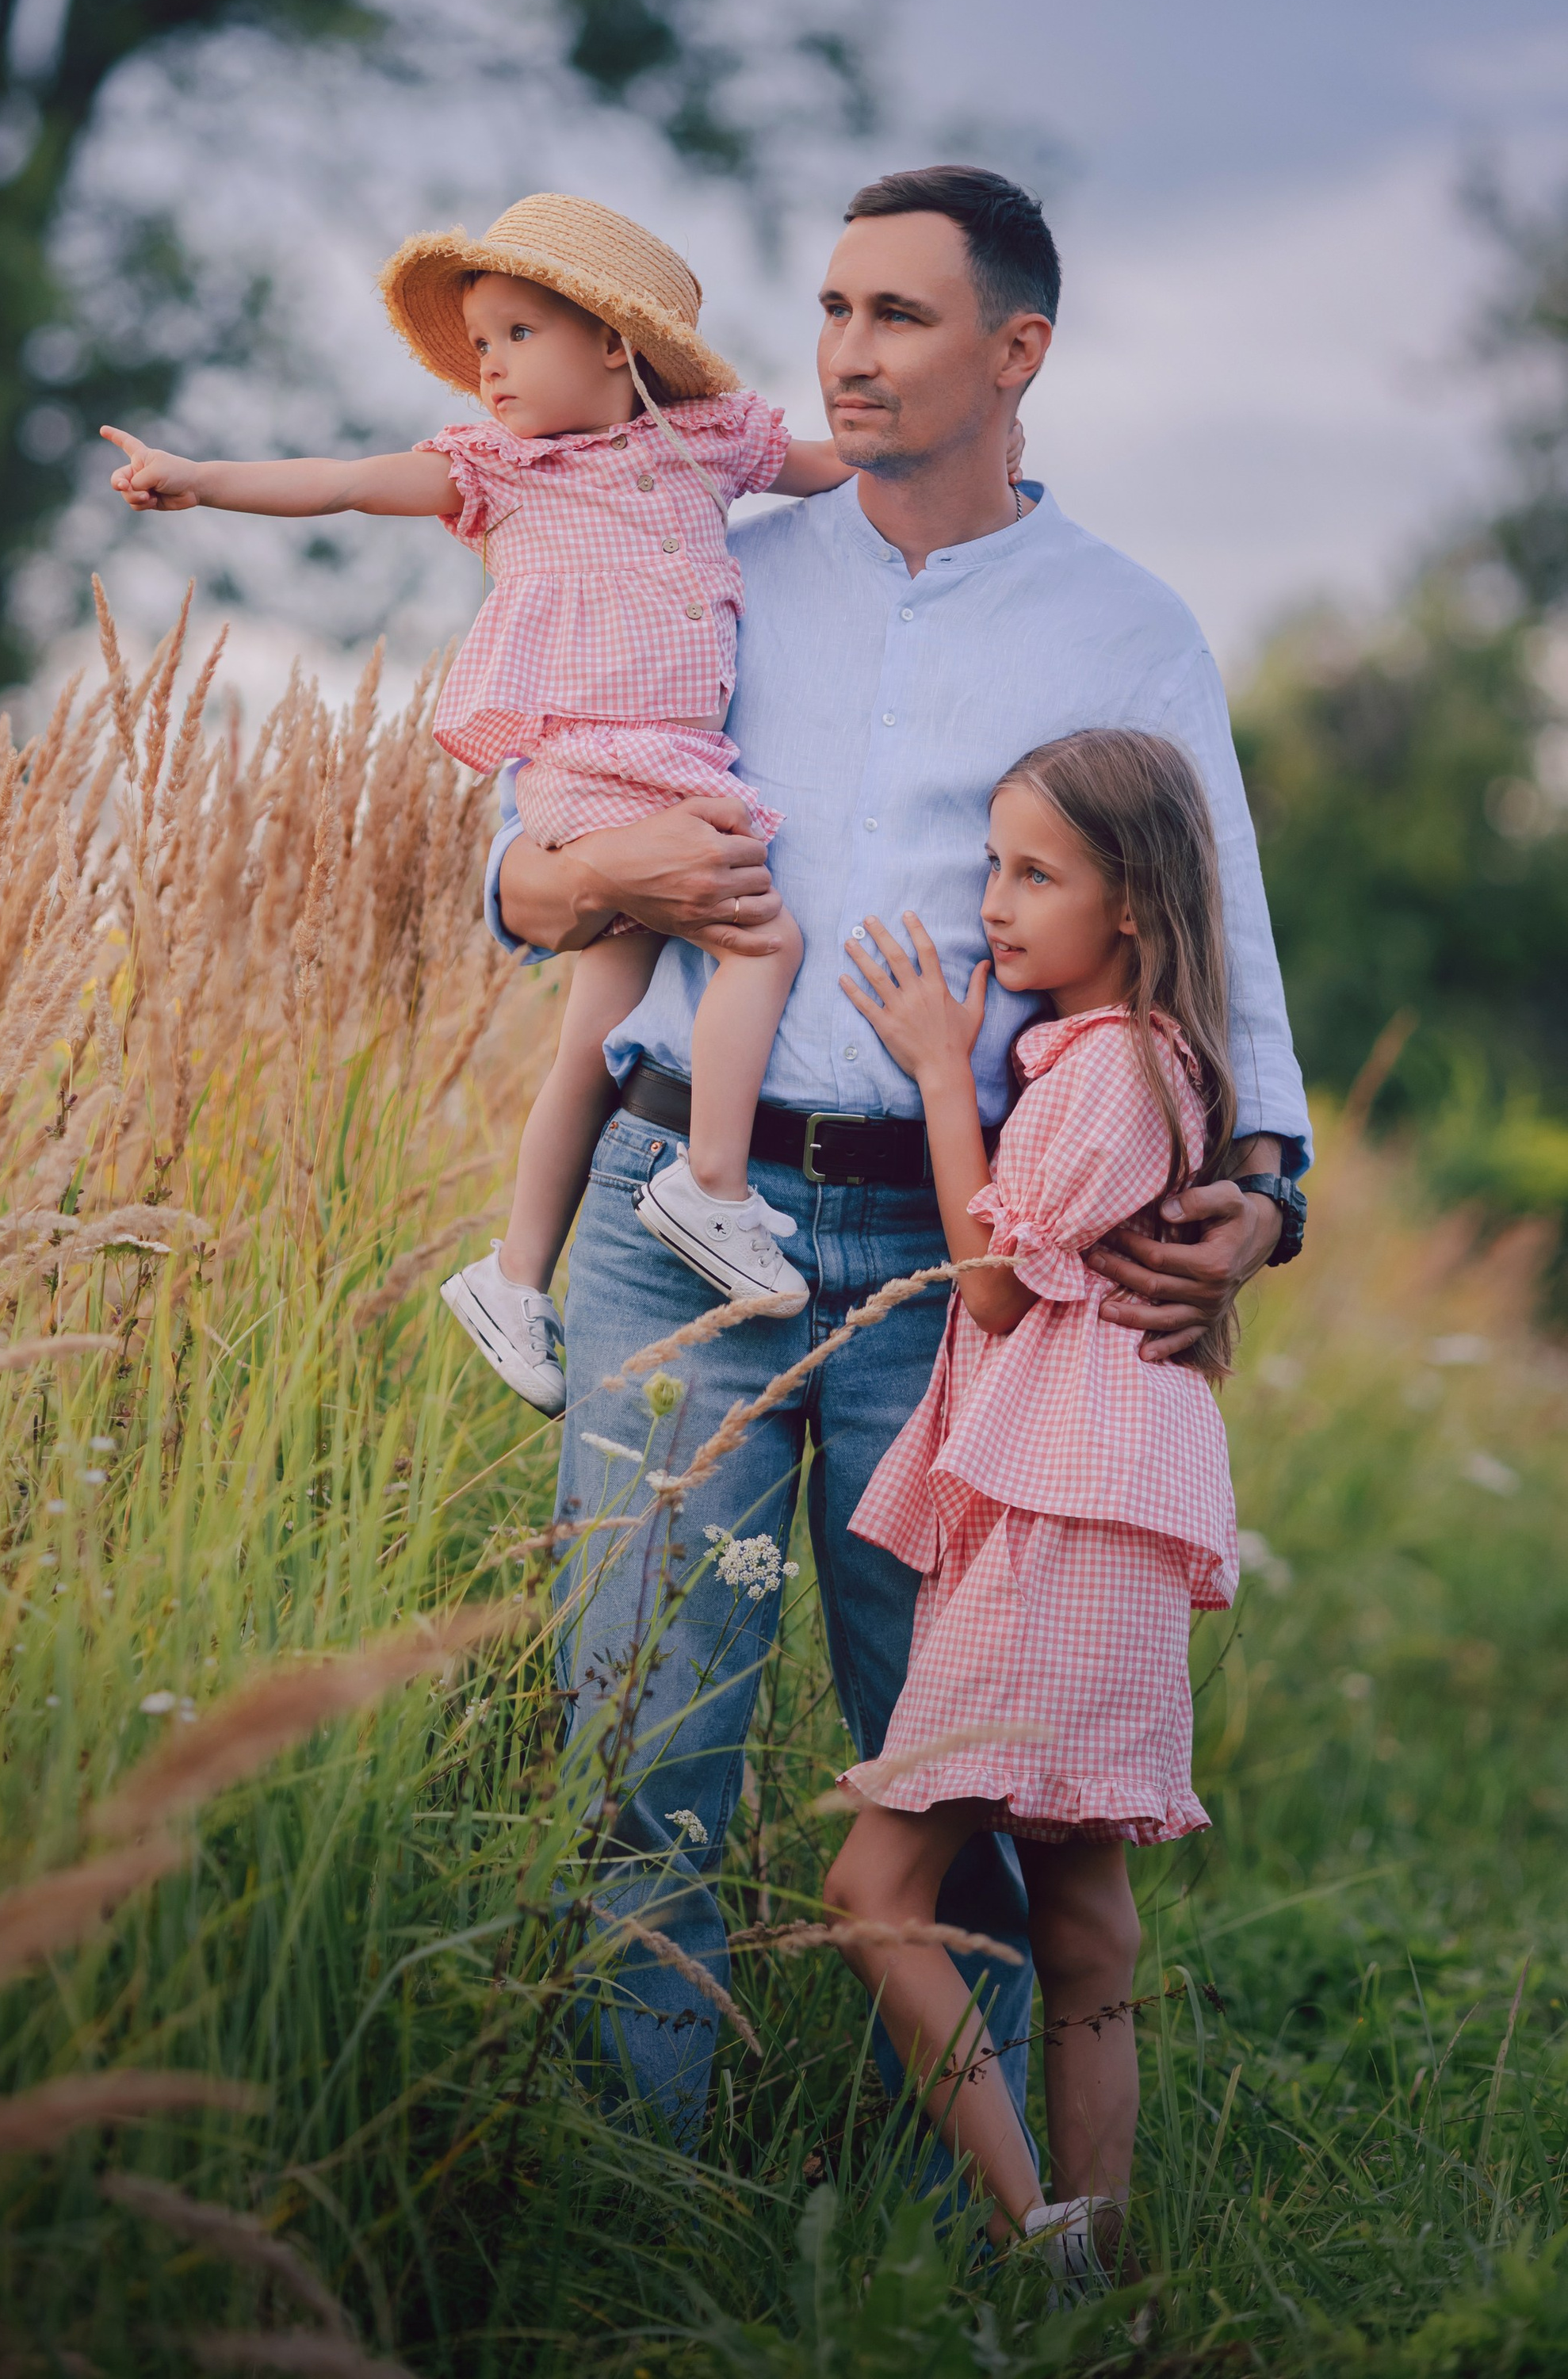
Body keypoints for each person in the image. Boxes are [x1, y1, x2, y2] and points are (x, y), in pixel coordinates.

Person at [488, 165, 1308, 2154]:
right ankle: (634, 2212)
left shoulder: (1124, 629)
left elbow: (1230, 962)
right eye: (832, 310)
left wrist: (1264, 1190)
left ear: (1016, 353)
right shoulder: (714, 559)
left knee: (957, 1764)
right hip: (672, 1212)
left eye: (898, 318)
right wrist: (615, 864)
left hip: (969, 1274)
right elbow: (520, 881)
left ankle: (964, 2254)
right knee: (641, 1740)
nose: (843, 354)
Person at [101, 192, 858, 1414]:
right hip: (606, 766)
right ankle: (709, 1184)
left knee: (595, 1041)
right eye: (480, 342)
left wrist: (938, 456)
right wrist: (202, 480)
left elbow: (830, 468)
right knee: (761, 936)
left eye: (516, 334)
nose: (489, 367)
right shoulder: (496, 474)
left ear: (614, 343)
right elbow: (346, 484)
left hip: (659, 765)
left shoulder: (702, 443)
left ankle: (516, 1277)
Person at [823, 726, 1241, 2281]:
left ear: (1128, 900)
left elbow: (992, 1288)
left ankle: (1037, 2229)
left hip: (1063, 1521)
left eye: (1032, 873)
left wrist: (940, 1071)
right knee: (1084, 1934)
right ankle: (1104, 2272)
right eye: (990, 865)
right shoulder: (1133, 1062)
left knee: (872, 1889)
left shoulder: (1107, 1065)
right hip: (1098, 1508)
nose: (992, 905)